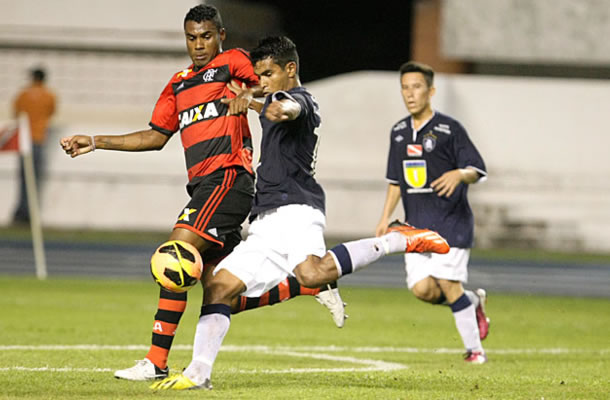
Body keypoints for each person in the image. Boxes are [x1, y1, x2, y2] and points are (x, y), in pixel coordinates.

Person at [59, 4, 346, 382]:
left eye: (206, 36)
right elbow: (155, 137)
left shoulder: (232, 62)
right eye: (192, 38)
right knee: (218, 288)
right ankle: (305, 285)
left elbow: (269, 79)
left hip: (228, 179)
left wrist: (249, 93)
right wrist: (95, 141)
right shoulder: (177, 84)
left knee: (175, 253)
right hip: (203, 186)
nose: (199, 45)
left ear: (221, 36)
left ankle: (155, 361)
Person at [150, 36, 450, 391]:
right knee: (219, 287)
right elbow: (273, 104)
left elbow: (285, 108)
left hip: (295, 208)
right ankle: (198, 374)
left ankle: (398, 240)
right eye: (258, 74)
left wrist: (258, 102)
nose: (261, 81)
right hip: (265, 221)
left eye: (268, 73)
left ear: (290, 69)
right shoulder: (273, 96)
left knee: (312, 272)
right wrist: (253, 100)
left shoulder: (298, 100)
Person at [375, 61, 490, 364]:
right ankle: (473, 302)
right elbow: (395, 180)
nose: (410, 94)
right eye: (405, 87)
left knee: (449, 284)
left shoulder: (449, 129)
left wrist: (459, 175)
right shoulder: (399, 132)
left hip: (451, 222)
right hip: (417, 226)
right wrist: (385, 216)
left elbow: (477, 168)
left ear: (431, 90)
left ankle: (475, 352)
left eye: (416, 87)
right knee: (423, 289)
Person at [12, 67, 56, 224]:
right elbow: (51, 113)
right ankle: (30, 213)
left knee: (24, 178)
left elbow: (16, 113)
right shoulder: (49, 95)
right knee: (35, 179)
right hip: (38, 139)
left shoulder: (23, 94)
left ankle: (22, 212)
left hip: (24, 139)